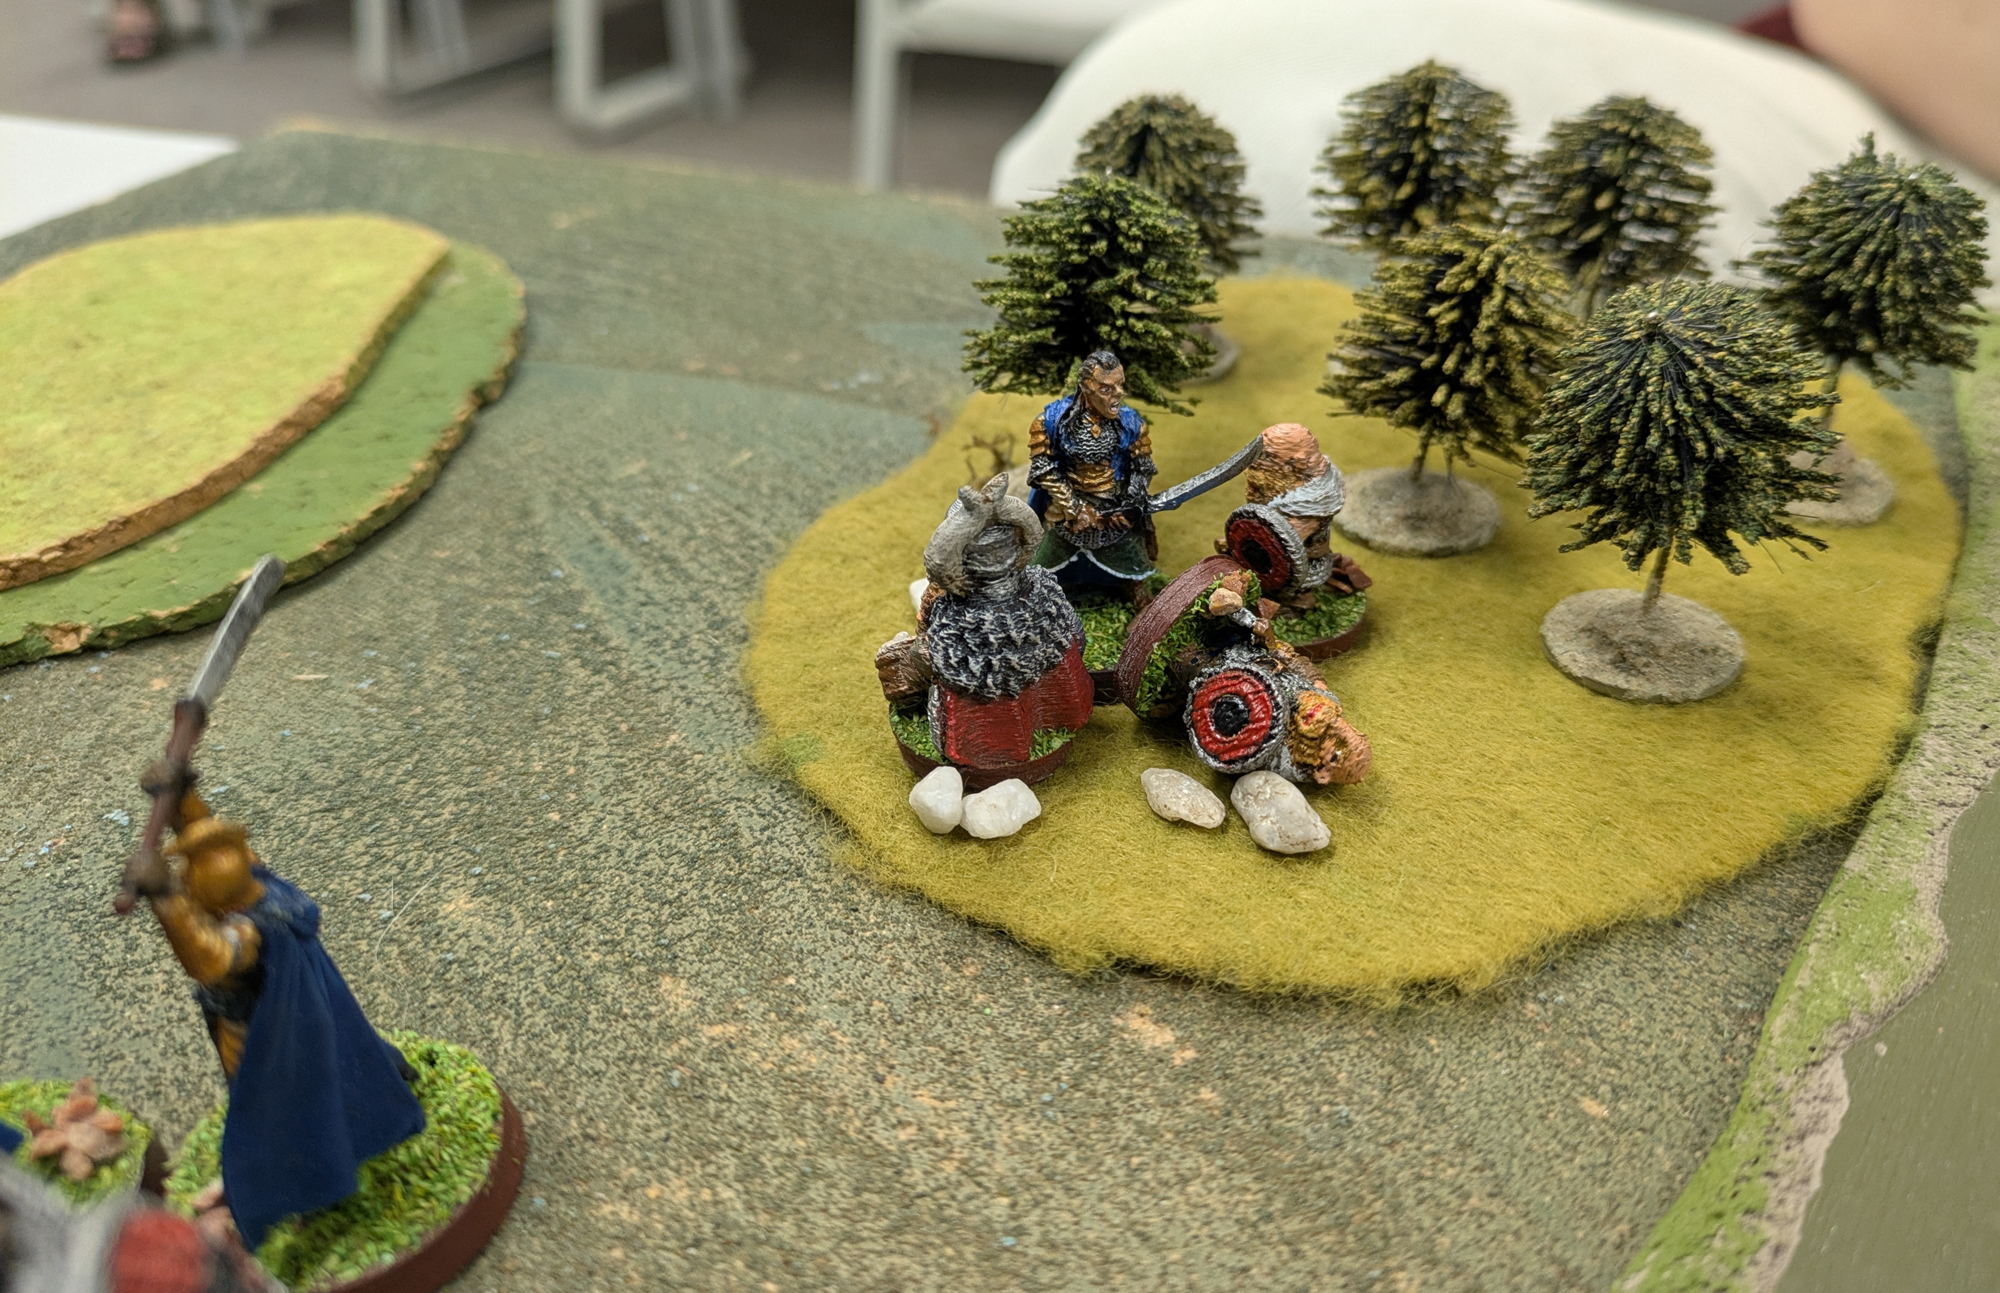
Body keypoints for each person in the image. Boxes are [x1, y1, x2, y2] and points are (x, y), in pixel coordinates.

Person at [130, 783, 424, 1249]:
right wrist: (182, 796)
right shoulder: (261, 881)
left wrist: (166, 897)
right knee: (344, 1052)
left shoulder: (246, 932)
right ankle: (386, 1073)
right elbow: (210, 843)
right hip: (311, 1007)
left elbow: (209, 958)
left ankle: (310, 1187)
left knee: (278, 1110)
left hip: (262, 1034)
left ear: (224, 907)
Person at [1025, 350, 1158, 596]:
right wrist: (1075, 509)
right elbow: (1042, 468)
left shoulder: (1132, 423)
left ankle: (1137, 591)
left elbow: (1142, 468)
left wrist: (1129, 507)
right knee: (1044, 560)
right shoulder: (1049, 422)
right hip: (1065, 506)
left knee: (1130, 554)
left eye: (1120, 385)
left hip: (1114, 504)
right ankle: (1037, 595)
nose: (1118, 394)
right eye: (1106, 389)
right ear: (1086, 387)